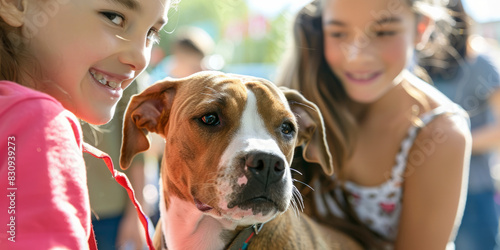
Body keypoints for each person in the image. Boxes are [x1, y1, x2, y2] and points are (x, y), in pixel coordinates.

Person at [277, 0, 472, 249]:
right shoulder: (303, 106)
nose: (358, 55)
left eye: (383, 32)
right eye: (338, 33)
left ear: (421, 28)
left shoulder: (439, 133)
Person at [0, 0, 177, 248]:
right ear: (16, 4)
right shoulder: (37, 119)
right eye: (114, 17)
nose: (140, 58)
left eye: (151, 33)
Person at [421, 1, 500, 249]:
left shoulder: (482, 64)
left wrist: (453, 144)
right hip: (427, 191)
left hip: (474, 192)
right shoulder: (421, 65)